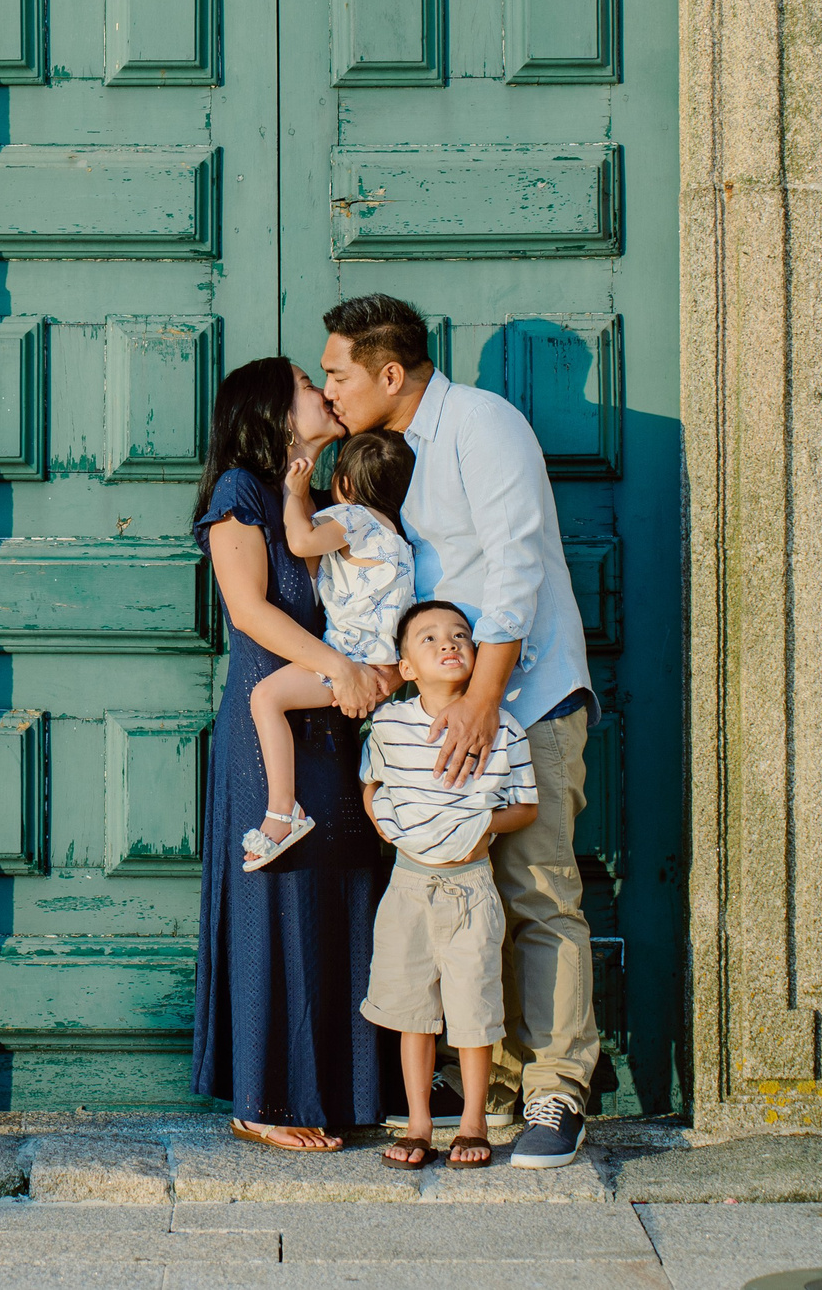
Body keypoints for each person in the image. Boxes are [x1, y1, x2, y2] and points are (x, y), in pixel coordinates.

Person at [320, 293, 599, 1172]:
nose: (328, 390)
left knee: (540, 895)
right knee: (463, 906)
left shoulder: (482, 424)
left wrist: (484, 697)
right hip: (442, 716)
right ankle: (500, 1085)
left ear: (390, 373)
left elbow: (517, 560)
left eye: (338, 373)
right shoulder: (391, 452)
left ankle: (559, 1085)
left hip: (527, 701)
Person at [191, 355, 397, 1152]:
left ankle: (345, 1086)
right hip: (269, 723)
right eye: (311, 387)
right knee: (278, 900)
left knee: (340, 892)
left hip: (330, 719)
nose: (326, 392)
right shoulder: (239, 493)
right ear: (276, 412)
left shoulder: (319, 499)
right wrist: (339, 667)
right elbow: (248, 609)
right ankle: (263, 1097)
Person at [358, 600, 539, 1169]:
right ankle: (417, 1123)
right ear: (406, 666)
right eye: (430, 638)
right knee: (413, 1009)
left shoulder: (502, 727)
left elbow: (526, 807)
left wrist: (485, 825)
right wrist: (385, 826)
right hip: (408, 886)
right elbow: (372, 784)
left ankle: (472, 1122)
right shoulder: (389, 723)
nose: (449, 644)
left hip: (470, 887)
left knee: (473, 1008)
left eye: (461, 635)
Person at [239, 428, 419, 872]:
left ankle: (283, 811)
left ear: (346, 485)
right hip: (382, 666)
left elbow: (301, 543)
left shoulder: (355, 518)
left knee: (265, 698)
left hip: (353, 660)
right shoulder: (396, 537)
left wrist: (293, 491)